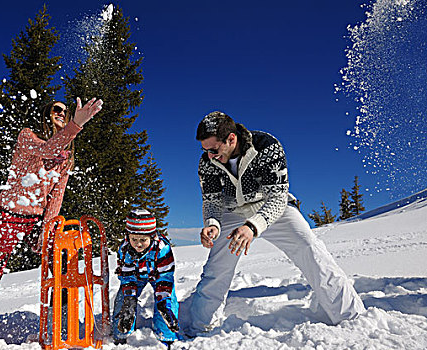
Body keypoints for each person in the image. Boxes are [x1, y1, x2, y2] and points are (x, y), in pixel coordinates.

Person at [184, 111, 365, 337]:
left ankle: (351, 316)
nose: (209, 156)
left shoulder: (266, 146)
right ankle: (200, 328)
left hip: (272, 206)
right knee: (216, 268)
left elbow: (278, 197)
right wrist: (213, 223)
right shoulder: (207, 163)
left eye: (214, 150)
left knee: (309, 248)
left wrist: (252, 226)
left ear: (231, 139)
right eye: (205, 151)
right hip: (232, 212)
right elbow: (211, 201)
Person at [0, 97, 103, 338]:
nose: (62, 113)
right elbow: (46, 149)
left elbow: (56, 197)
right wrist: (76, 125)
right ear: (45, 113)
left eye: (66, 111)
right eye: (56, 110)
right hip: (8, 216)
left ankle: (59, 319)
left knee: (61, 262)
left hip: (37, 220)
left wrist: (47, 230)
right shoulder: (28, 137)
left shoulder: (66, 158)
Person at [113, 209, 180, 348]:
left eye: (143, 240)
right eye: (134, 239)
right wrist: (129, 300)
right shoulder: (125, 249)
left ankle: (165, 335)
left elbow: (165, 277)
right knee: (123, 301)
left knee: (168, 301)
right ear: (128, 237)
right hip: (135, 277)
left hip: (158, 276)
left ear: (152, 236)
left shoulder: (162, 248)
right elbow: (127, 276)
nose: (138, 244)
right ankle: (121, 334)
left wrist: (163, 301)